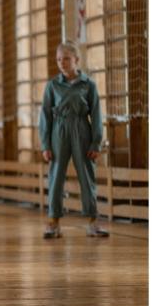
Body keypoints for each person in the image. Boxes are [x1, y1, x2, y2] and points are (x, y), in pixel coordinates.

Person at [39, 41, 109, 239]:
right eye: (59, 59)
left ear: (77, 60)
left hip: (82, 130)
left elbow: (96, 115)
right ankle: (53, 222)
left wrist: (96, 142)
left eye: (67, 59)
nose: (62, 63)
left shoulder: (89, 85)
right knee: (56, 176)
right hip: (58, 132)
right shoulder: (52, 86)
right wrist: (45, 144)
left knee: (87, 175)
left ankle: (93, 222)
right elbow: (45, 115)